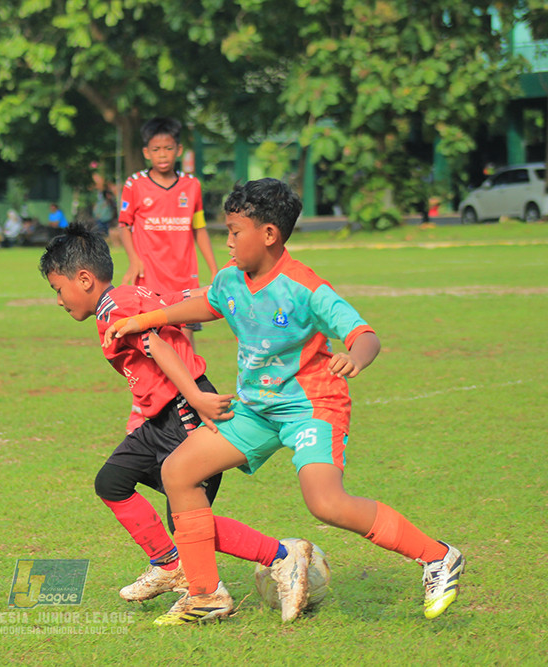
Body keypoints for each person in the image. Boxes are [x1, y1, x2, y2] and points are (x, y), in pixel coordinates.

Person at [104, 179, 464, 624]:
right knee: (178, 471)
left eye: (236, 232)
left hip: (310, 405)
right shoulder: (230, 280)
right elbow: (207, 306)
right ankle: (204, 595)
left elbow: (363, 333)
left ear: (269, 234)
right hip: (257, 409)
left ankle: (438, 556)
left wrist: (354, 356)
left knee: (325, 503)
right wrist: (147, 317)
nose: (228, 242)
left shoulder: (304, 286)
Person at [40, 224, 313, 625]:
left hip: (185, 411)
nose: (59, 300)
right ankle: (170, 565)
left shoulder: (113, 308)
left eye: (58, 289)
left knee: (189, 524)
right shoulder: (131, 295)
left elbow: (157, 345)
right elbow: (186, 301)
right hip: (162, 418)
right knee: (112, 483)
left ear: (84, 279)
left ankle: (280, 558)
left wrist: (196, 395)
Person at [117, 117, 218, 349]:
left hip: (185, 277)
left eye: (168, 148)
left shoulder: (192, 186)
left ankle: (189, 385)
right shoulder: (134, 185)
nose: (162, 154)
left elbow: (199, 228)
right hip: (151, 276)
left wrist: (213, 268)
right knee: (154, 336)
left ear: (179, 150)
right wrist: (134, 261)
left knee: (186, 340)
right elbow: (124, 226)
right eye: (156, 149)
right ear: (146, 152)